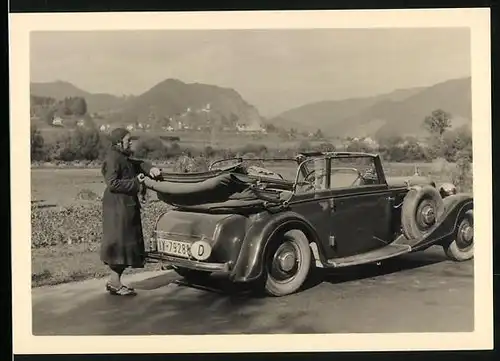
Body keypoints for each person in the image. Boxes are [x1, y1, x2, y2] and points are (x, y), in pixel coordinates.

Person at [100, 128, 161, 296]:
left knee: (122, 245)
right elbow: (112, 183)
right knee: (120, 245)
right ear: (119, 142)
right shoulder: (113, 159)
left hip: (123, 206)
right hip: (118, 208)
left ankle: (114, 282)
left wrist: (151, 168)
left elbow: (137, 163)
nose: (131, 142)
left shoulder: (122, 157)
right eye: (128, 140)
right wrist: (136, 182)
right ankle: (115, 283)